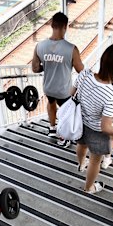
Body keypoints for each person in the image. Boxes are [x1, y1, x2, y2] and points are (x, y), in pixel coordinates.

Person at [72, 45, 113, 193]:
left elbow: (71, 94)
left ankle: (80, 164)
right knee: (95, 161)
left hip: (79, 123)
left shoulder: (84, 74)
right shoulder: (112, 95)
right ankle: (88, 187)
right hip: (96, 131)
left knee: (82, 145)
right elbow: (105, 127)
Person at [31, 12, 84, 147]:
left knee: (51, 102)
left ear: (52, 25)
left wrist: (48, 66)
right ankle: (63, 136)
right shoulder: (71, 49)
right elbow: (81, 71)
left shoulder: (39, 46)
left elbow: (35, 68)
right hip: (63, 90)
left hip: (48, 87)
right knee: (66, 112)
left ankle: (52, 128)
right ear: (65, 26)